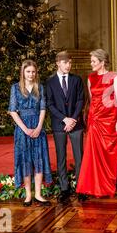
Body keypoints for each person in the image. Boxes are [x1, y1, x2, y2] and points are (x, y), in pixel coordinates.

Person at [75, 49, 117, 198]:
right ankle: (92, 187)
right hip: (95, 120)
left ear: (102, 62)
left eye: (94, 61)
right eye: (91, 61)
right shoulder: (90, 78)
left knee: (109, 153)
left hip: (110, 120)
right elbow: (92, 100)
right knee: (93, 155)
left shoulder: (114, 76)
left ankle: (106, 186)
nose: (91, 64)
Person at [8, 60, 52, 207]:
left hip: (38, 127)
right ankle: (28, 195)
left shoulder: (40, 87)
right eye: (28, 72)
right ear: (23, 72)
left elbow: (43, 109)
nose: (31, 74)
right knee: (26, 161)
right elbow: (13, 111)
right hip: (22, 129)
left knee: (39, 160)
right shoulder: (15, 88)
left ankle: (38, 194)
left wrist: (39, 126)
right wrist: (25, 129)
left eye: (33, 71)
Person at [46, 51, 84, 203]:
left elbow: (81, 100)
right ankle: (64, 188)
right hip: (59, 124)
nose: (68, 65)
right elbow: (50, 103)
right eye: (65, 62)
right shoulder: (50, 82)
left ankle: (81, 188)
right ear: (58, 63)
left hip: (76, 124)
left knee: (79, 156)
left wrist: (73, 119)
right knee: (61, 156)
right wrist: (64, 119)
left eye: (70, 62)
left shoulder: (77, 80)